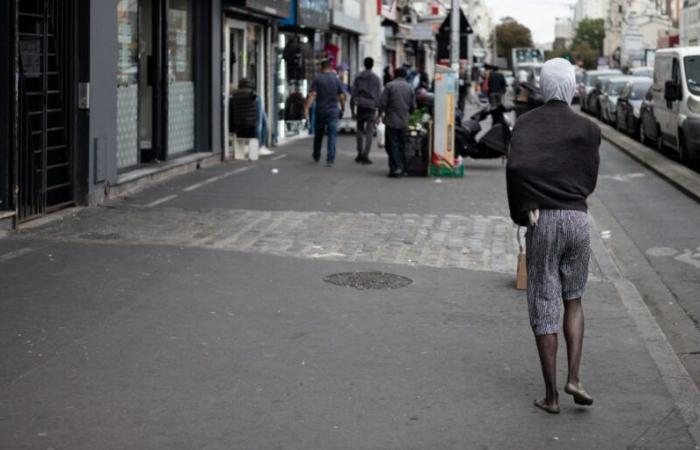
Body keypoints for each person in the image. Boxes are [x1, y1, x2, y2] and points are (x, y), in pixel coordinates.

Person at [506, 58, 601, 414]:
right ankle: (575, 377)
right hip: (578, 219)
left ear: (543, 86)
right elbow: (590, 176)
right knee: (573, 298)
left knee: (544, 302)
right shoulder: (589, 129)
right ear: (574, 86)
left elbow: (516, 167)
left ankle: (551, 397)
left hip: (542, 218)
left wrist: (521, 211)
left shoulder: (526, 125)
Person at [304, 59, 345, 167]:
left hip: (321, 111)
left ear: (321, 68)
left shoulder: (318, 78)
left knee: (318, 135)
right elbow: (341, 96)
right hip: (333, 112)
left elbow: (312, 94)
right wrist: (343, 107)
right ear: (330, 67)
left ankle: (316, 155)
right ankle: (330, 159)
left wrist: (306, 108)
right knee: (332, 136)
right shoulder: (336, 79)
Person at [378, 67, 415, 178]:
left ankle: (395, 169)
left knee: (391, 145)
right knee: (402, 145)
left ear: (395, 74)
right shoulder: (409, 88)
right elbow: (413, 107)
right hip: (404, 121)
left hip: (391, 121)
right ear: (404, 76)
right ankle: (403, 169)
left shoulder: (389, 86)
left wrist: (379, 115)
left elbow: (382, 103)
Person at [351, 57, 382, 165]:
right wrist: (379, 113)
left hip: (360, 105)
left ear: (364, 64)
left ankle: (359, 153)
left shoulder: (358, 77)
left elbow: (353, 94)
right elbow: (378, 96)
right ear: (372, 65)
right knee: (369, 131)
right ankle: (366, 154)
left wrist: (352, 110)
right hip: (371, 107)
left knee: (359, 129)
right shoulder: (376, 79)